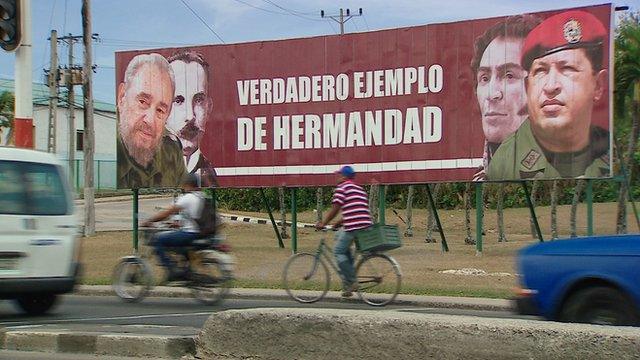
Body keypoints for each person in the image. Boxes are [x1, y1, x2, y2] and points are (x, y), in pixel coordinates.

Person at [487, 10, 610, 180]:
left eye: (567, 69)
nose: (550, 86)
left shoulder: (614, 154)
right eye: (540, 71)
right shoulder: (505, 164)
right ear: (527, 86)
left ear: (598, 85)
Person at [470, 15, 541, 181]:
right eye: (485, 78)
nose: (492, 94)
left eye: (509, 75)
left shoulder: (567, 167)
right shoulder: (476, 179)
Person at [117, 53, 187, 189]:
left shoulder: (171, 151)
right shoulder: (107, 149)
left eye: (160, 110)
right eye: (143, 101)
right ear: (122, 97)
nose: (150, 120)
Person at [316, 166, 373, 297]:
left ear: (344, 176)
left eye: (339, 174)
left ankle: (352, 281)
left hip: (354, 226)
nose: (337, 177)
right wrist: (338, 223)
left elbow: (335, 209)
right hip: (365, 225)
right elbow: (353, 210)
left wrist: (323, 223)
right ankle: (348, 285)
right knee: (341, 241)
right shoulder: (359, 189)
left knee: (338, 251)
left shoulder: (342, 188)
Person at [166, 50, 217, 187]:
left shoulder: (212, 174)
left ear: (209, 107)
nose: (190, 116)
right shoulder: (144, 171)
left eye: (199, 100)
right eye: (178, 101)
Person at [141, 173, 206, 281]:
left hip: (190, 233)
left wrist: (150, 220)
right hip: (201, 232)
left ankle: (171, 271)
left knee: (158, 239)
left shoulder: (188, 198)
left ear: (188, 184)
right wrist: (177, 224)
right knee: (179, 247)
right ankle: (186, 271)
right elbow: (195, 216)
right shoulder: (201, 196)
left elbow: (167, 213)